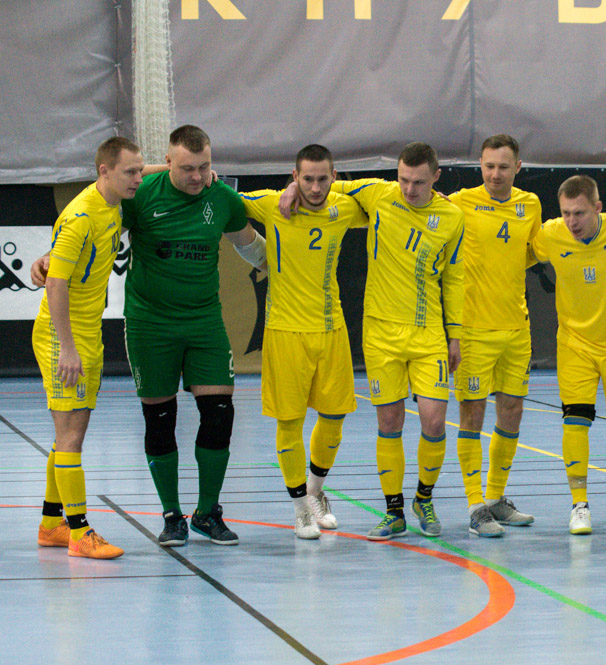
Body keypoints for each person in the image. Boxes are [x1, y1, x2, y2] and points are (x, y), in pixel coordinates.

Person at [282, 142, 464, 540]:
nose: (409, 189)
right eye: (403, 179)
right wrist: (293, 187)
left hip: (428, 333)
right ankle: (394, 510)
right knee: (389, 421)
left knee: (434, 420)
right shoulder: (379, 193)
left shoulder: (452, 217)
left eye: (419, 182)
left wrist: (456, 334)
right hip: (380, 333)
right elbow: (326, 185)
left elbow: (454, 278)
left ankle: (424, 498)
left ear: (436, 177)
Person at [122, 125, 265, 546]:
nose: (198, 176)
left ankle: (207, 512)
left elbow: (249, 245)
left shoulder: (221, 198)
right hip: (150, 322)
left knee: (220, 414)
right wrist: (52, 257)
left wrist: (287, 268)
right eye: (187, 168)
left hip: (204, 321)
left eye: (204, 167)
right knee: (160, 419)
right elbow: (96, 214)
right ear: (167, 162)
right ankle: (172, 515)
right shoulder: (141, 194)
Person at [240, 145, 368, 539]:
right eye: (306, 179)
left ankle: (315, 493)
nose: (315, 187)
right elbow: (223, 199)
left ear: (334, 177)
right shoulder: (269, 205)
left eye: (322, 179)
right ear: (294, 176)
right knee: (290, 421)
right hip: (285, 330)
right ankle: (299, 510)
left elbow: (386, 196)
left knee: (334, 417)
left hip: (331, 328)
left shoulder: (345, 208)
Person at [33, 136, 144, 559]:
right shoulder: (81, 216)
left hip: (87, 333)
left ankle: (51, 525)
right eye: (130, 172)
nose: (137, 179)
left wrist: (175, 167)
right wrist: (67, 347)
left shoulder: (112, 203)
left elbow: (53, 265)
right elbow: (55, 284)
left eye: (140, 171)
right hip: (63, 336)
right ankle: (79, 533)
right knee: (71, 437)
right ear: (104, 171)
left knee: (68, 435)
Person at [530, 175, 606, 534]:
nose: (572, 221)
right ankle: (579, 504)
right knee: (575, 421)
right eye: (566, 213)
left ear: (597, 208)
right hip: (575, 344)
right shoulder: (550, 234)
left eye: (580, 213)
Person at [447, 135, 541, 537]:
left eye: (503, 167)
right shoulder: (459, 202)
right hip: (472, 330)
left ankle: (496, 498)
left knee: (512, 412)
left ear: (517, 167)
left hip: (517, 328)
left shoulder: (530, 204)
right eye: (488, 166)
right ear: (480, 165)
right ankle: (475, 505)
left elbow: (532, 251)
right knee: (472, 416)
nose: (495, 174)